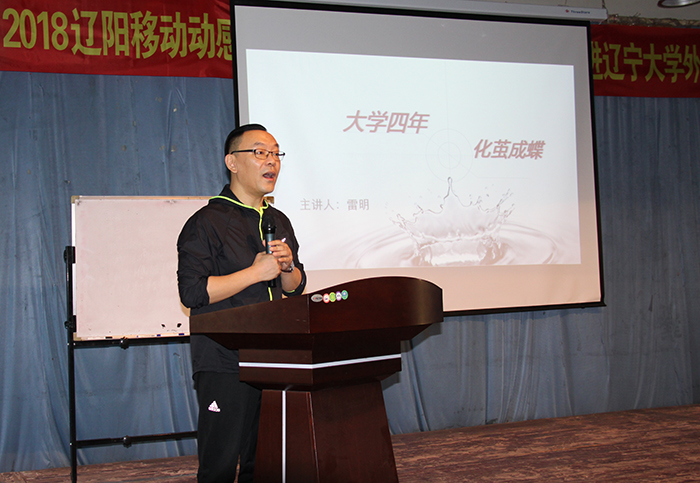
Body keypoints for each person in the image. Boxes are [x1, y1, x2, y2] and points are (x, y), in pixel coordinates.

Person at [177, 124, 306, 482]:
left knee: (263, 462)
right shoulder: (207, 222)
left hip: (273, 359)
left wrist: (288, 268)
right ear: (232, 162)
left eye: (276, 153)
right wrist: (253, 273)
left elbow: (295, 288)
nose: (272, 161)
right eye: (260, 152)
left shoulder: (278, 220)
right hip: (224, 360)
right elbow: (192, 293)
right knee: (219, 466)